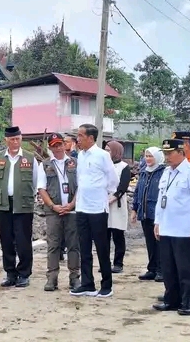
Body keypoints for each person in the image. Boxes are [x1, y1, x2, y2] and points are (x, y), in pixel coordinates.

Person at [152, 138, 190, 316]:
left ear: (182, 152)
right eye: (165, 153)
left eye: (170, 153)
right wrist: (157, 222)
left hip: (185, 228)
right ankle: (172, 299)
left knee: (187, 268)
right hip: (167, 226)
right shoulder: (166, 172)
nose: (166, 156)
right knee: (168, 267)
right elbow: (161, 199)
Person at [70, 124, 119, 298]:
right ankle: (87, 284)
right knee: (84, 247)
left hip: (98, 208)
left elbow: (113, 180)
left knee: (101, 247)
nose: (78, 139)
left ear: (91, 138)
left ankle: (106, 285)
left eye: (81, 136)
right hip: (82, 207)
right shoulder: (80, 156)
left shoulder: (103, 155)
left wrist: (102, 194)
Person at [0, 126, 39, 288]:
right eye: (12, 139)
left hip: (23, 204)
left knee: (23, 240)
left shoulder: (30, 158)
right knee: (6, 240)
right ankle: (10, 273)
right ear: (6, 140)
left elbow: (35, 182)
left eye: (18, 139)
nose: (15, 142)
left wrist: (27, 197)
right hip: (4, 204)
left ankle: (24, 274)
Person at [36, 133, 79, 292]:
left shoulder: (75, 163)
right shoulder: (45, 165)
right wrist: (53, 206)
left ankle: (74, 278)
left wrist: (72, 204)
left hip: (72, 210)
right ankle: (51, 279)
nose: (58, 148)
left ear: (65, 145)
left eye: (60, 144)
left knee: (74, 245)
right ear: (50, 147)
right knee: (53, 245)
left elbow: (80, 187)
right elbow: (41, 188)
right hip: (53, 211)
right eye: (54, 145)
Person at [132, 146, 166, 282]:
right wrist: (134, 209)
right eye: (146, 156)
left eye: (150, 156)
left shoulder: (163, 172)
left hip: (157, 213)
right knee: (150, 242)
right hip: (144, 212)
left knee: (159, 243)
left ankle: (161, 270)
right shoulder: (144, 172)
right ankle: (152, 269)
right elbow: (137, 191)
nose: (148, 159)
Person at [106, 140, 131, 273]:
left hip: (117, 204)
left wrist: (113, 198)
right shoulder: (104, 165)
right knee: (104, 236)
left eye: (109, 150)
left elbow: (123, 186)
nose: (106, 152)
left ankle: (118, 263)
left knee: (117, 235)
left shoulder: (124, 167)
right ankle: (105, 262)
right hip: (103, 203)